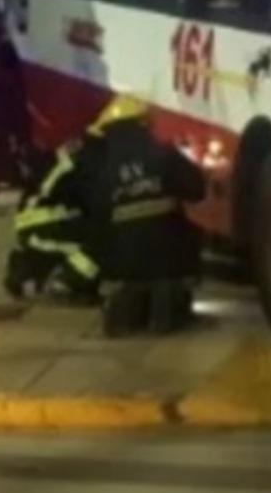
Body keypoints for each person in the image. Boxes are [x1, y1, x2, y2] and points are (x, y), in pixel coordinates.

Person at [77, 95, 207, 338]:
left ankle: (125, 312)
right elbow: (197, 191)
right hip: (168, 259)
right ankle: (167, 310)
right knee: (189, 231)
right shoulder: (165, 152)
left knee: (127, 296)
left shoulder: (101, 166)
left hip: (122, 266)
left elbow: (96, 218)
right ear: (143, 123)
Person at [4, 137, 102, 305]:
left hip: (38, 223)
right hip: (48, 224)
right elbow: (98, 203)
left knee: (73, 242)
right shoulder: (91, 162)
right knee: (102, 244)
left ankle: (26, 273)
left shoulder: (78, 155)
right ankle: (67, 283)